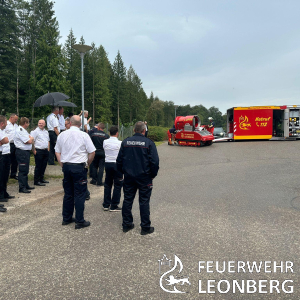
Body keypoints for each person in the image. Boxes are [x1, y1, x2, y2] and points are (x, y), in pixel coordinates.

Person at [117, 121, 159, 235]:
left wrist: (122, 173)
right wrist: (152, 175)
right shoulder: (149, 143)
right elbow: (154, 162)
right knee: (144, 201)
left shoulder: (125, 142)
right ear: (144, 131)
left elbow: (119, 160)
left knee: (127, 199)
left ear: (134, 130)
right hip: (144, 177)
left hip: (129, 176)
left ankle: (126, 224)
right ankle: (145, 227)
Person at [55, 115, 96, 229]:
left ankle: (66, 218)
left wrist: (62, 164)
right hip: (79, 167)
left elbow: (57, 152)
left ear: (70, 123)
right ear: (80, 124)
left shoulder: (62, 135)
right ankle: (79, 220)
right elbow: (92, 152)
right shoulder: (84, 135)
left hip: (67, 166)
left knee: (68, 193)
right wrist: (87, 163)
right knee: (80, 194)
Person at [103, 125, 123, 211]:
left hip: (107, 163)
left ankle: (106, 204)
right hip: (117, 164)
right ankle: (114, 205)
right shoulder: (120, 143)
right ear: (117, 133)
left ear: (109, 133)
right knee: (117, 185)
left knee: (108, 184)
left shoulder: (105, 142)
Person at [14, 117, 35, 193]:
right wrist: (31, 139)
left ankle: (25, 184)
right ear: (25, 123)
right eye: (28, 122)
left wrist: (31, 139)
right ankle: (22, 187)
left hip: (25, 152)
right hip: (22, 152)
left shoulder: (24, 131)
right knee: (22, 169)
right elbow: (28, 141)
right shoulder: (20, 130)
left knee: (26, 169)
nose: (28, 124)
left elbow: (31, 139)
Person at [30, 119, 50, 186]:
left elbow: (48, 141)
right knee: (38, 166)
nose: (41, 124)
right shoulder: (35, 132)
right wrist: (34, 150)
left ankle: (41, 178)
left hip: (45, 150)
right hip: (39, 150)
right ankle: (36, 180)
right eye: (39, 123)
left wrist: (48, 149)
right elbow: (32, 141)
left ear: (45, 124)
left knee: (44, 165)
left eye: (42, 123)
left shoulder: (46, 132)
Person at [5, 113, 19, 179]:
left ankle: (13, 174)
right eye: (15, 119)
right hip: (8, 144)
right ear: (11, 118)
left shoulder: (16, 125)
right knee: (8, 159)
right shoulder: (6, 124)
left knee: (15, 160)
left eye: (17, 119)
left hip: (15, 144)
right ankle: (6, 174)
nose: (16, 120)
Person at [0, 115, 10, 211]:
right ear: (2, 123)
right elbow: (6, 140)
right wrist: (2, 141)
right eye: (6, 122)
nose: (6, 124)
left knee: (3, 176)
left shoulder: (2, 131)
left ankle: (3, 194)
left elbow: (5, 140)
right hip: (1, 155)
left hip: (3, 153)